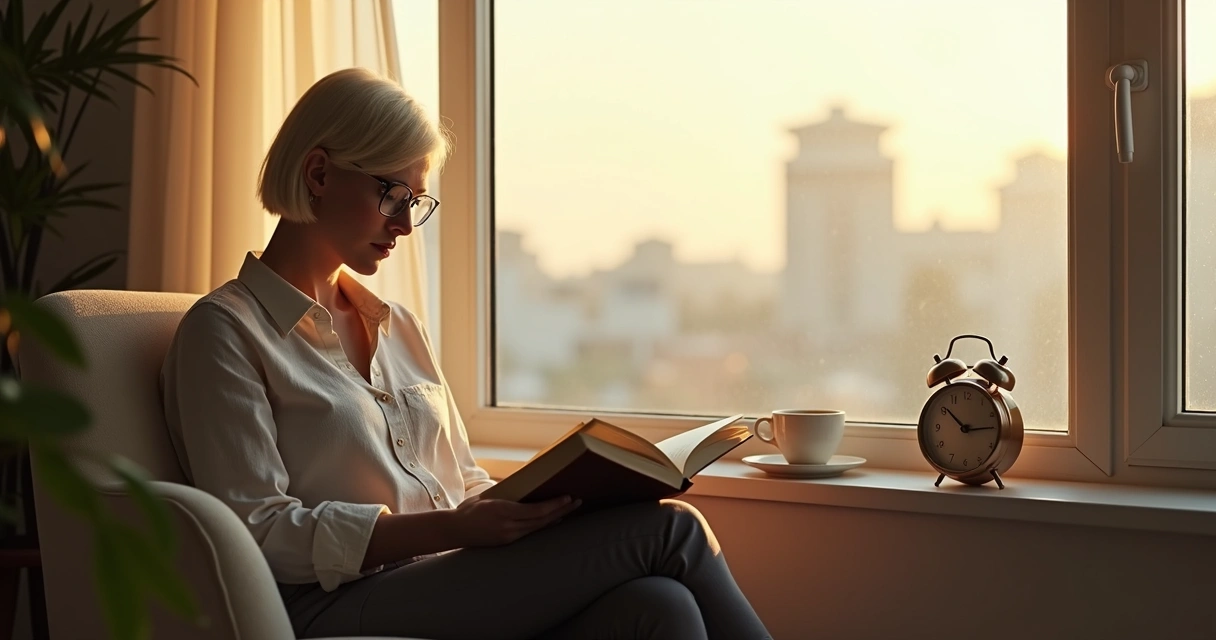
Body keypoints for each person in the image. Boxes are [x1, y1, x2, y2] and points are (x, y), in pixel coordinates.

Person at [160, 67, 772, 640]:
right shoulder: (225, 333)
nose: (405, 224)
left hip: (452, 575)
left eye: (415, 203)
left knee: (661, 606)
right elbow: (257, 530)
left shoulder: (397, 326)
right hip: (335, 604)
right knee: (674, 529)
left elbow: (460, 481)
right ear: (318, 174)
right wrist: (450, 529)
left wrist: (540, 506)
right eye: (393, 194)